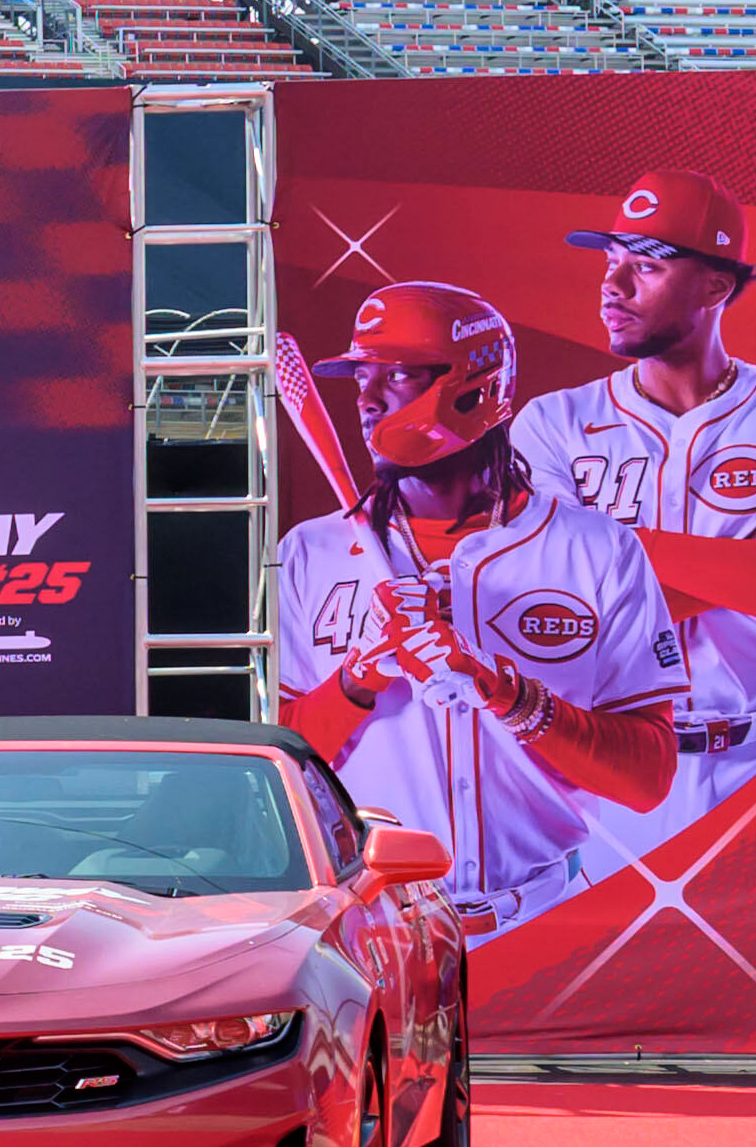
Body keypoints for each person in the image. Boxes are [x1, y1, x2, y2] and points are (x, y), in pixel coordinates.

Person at [271, 279, 681, 929]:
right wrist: (358, 677)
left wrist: (503, 691)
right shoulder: (309, 553)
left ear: (474, 384)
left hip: (544, 921)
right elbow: (276, 771)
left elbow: (646, 778)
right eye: (360, 379)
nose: (369, 401)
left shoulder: (594, 550)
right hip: (375, 928)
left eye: (397, 376)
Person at [510, 168, 756, 787]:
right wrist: (746, 563)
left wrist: (608, 553)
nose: (611, 286)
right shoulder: (553, 422)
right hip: (609, 757)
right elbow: (560, 616)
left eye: (645, 266)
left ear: (714, 285)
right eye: (610, 262)